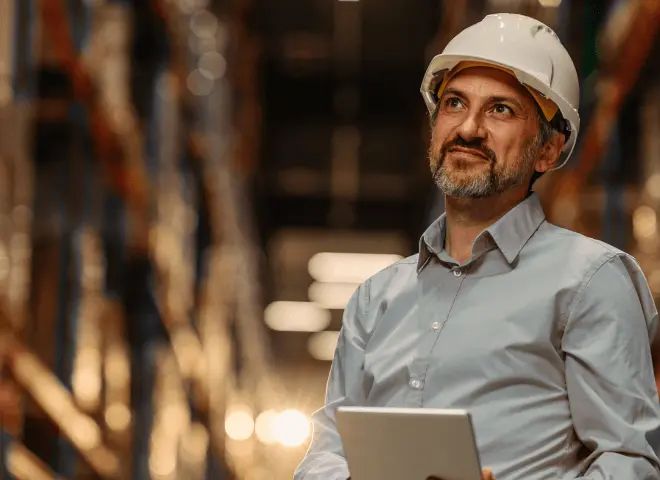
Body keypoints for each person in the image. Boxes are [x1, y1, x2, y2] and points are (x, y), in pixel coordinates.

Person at [294, 13, 660, 480]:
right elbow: (327, 451)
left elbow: (628, 462)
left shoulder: (590, 280)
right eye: (453, 103)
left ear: (548, 150)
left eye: (500, 110)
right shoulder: (376, 298)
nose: (468, 128)